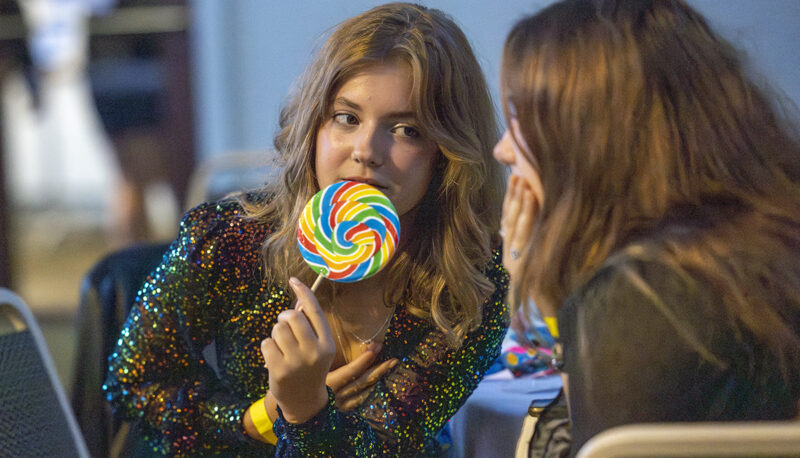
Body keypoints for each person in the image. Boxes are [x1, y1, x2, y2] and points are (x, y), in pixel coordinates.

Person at [104, 2, 508, 455]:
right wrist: (261, 416)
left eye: (406, 129)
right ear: (314, 126)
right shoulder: (229, 238)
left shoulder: (472, 286)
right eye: (347, 118)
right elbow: (130, 382)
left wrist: (307, 412)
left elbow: (387, 447)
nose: (366, 150)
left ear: (447, 154)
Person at [494, 0, 800, 455]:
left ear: (591, 136)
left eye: (520, 118)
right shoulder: (759, 253)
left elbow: (584, 446)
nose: (503, 149)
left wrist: (545, 291)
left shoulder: (640, 297)